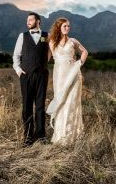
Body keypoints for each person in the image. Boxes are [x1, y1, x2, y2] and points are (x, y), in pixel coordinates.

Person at [46, 17, 88, 145]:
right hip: (60, 76)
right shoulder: (52, 41)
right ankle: (61, 136)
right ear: (59, 27)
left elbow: (85, 51)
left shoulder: (73, 41)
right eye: (65, 26)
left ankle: (73, 136)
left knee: (72, 103)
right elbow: (47, 58)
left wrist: (79, 63)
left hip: (73, 74)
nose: (67, 28)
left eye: (68, 26)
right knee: (61, 102)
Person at [12, 12, 50, 146]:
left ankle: (41, 136)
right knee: (27, 106)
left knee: (40, 106)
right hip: (26, 75)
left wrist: (44, 65)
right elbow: (16, 56)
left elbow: (49, 53)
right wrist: (18, 71)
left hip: (42, 75)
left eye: (30, 19)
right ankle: (28, 136)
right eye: (27, 20)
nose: (27, 22)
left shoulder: (47, 36)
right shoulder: (22, 36)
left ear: (38, 21)